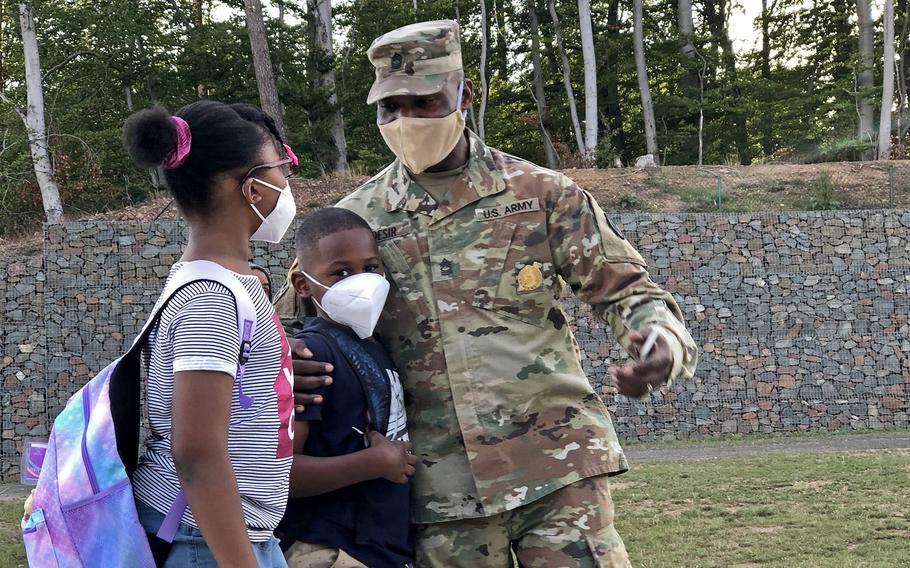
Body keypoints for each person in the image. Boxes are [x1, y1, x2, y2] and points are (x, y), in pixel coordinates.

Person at [279, 20, 698, 567]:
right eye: (389, 107)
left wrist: (661, 344)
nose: (404, 119)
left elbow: (626, 290)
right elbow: (289, 319)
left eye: (422, 101)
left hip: (557, 464)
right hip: (438, 491)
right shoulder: (355, 221)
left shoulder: (543, 195)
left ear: (462, 95)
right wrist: (294, 363)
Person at [124, 101, 297, 568]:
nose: (287, 183)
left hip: (218, 533)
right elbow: (196, 450)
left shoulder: (223, 283)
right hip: (204, 540)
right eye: (283, 167)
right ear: (251, 187)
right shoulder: (212, 297)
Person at [277, 208, 416, 568]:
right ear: (304, 284)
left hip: (378, 547)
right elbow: (282, 472)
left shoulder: (372, 344)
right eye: (341, 272)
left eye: (371, 268)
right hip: (330, 549)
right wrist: (374, 462)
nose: (362, 281)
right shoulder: (314, 355)